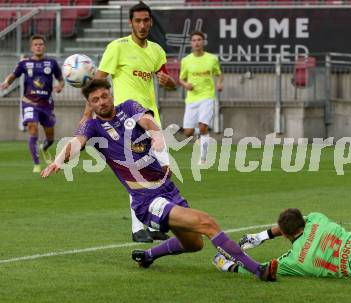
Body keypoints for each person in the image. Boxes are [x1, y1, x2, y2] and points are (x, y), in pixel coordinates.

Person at [41, 79, 278, 282]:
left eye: (104, 96)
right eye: (95, 99)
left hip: (167, 188)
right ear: (90, 104)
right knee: (207, 223)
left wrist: (156, 135)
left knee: (195, 244)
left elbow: (146, 120)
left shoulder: (128, 106)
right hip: (147, 200)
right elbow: (76, 142)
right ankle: (259, 270)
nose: (102, 102)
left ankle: (148, 256)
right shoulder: (92, 125)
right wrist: (59, 161)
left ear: (111, 94)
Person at [81, 2, 176, 242]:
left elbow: (167, 79)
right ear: (130, 23)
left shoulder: (157, 51)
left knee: (163, 172)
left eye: (146, 21)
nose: (142, 25)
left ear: (151, 22)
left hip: (149, 118)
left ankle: (153, 224)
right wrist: (87, 114)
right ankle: (137, 228)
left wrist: (170, 83)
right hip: (124, 120)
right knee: (136, 175)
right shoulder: (117, 47)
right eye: (138, 21)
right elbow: (97, 82)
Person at [214, 208, 351, 280]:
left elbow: (263, 269)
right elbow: (293, 222)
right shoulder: (316, 218)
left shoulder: (295, 260)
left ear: (287, 236)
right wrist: (264, 235)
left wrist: (228, 265)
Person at [0, 35, 64, 173]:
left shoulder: (52, 63)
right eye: (36, 44)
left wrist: (60, 86)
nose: (38, 46)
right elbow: (13, 75)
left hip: (46, 104)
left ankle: (45, 148)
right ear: (31, 47)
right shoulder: (24, 63)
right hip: (29, 103)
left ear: (44, 46)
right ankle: (36, 164)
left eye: (41, 44)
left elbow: (60, 79)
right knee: (32, 127)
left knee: (50, 138)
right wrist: (6, 83)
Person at [179, 31, 223, 164]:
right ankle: (200, 134)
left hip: (207, 97)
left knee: (204, 127)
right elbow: (181, 79)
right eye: (194, 40)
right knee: (188, 132)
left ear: (203, 42)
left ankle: (203, 158)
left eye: (199, 40)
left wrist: (219, 83)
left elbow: (219, 74)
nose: (196, 42)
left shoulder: (212, 59)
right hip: (192, 99)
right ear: (191, 43)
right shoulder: (186, 60)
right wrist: (186, 85)